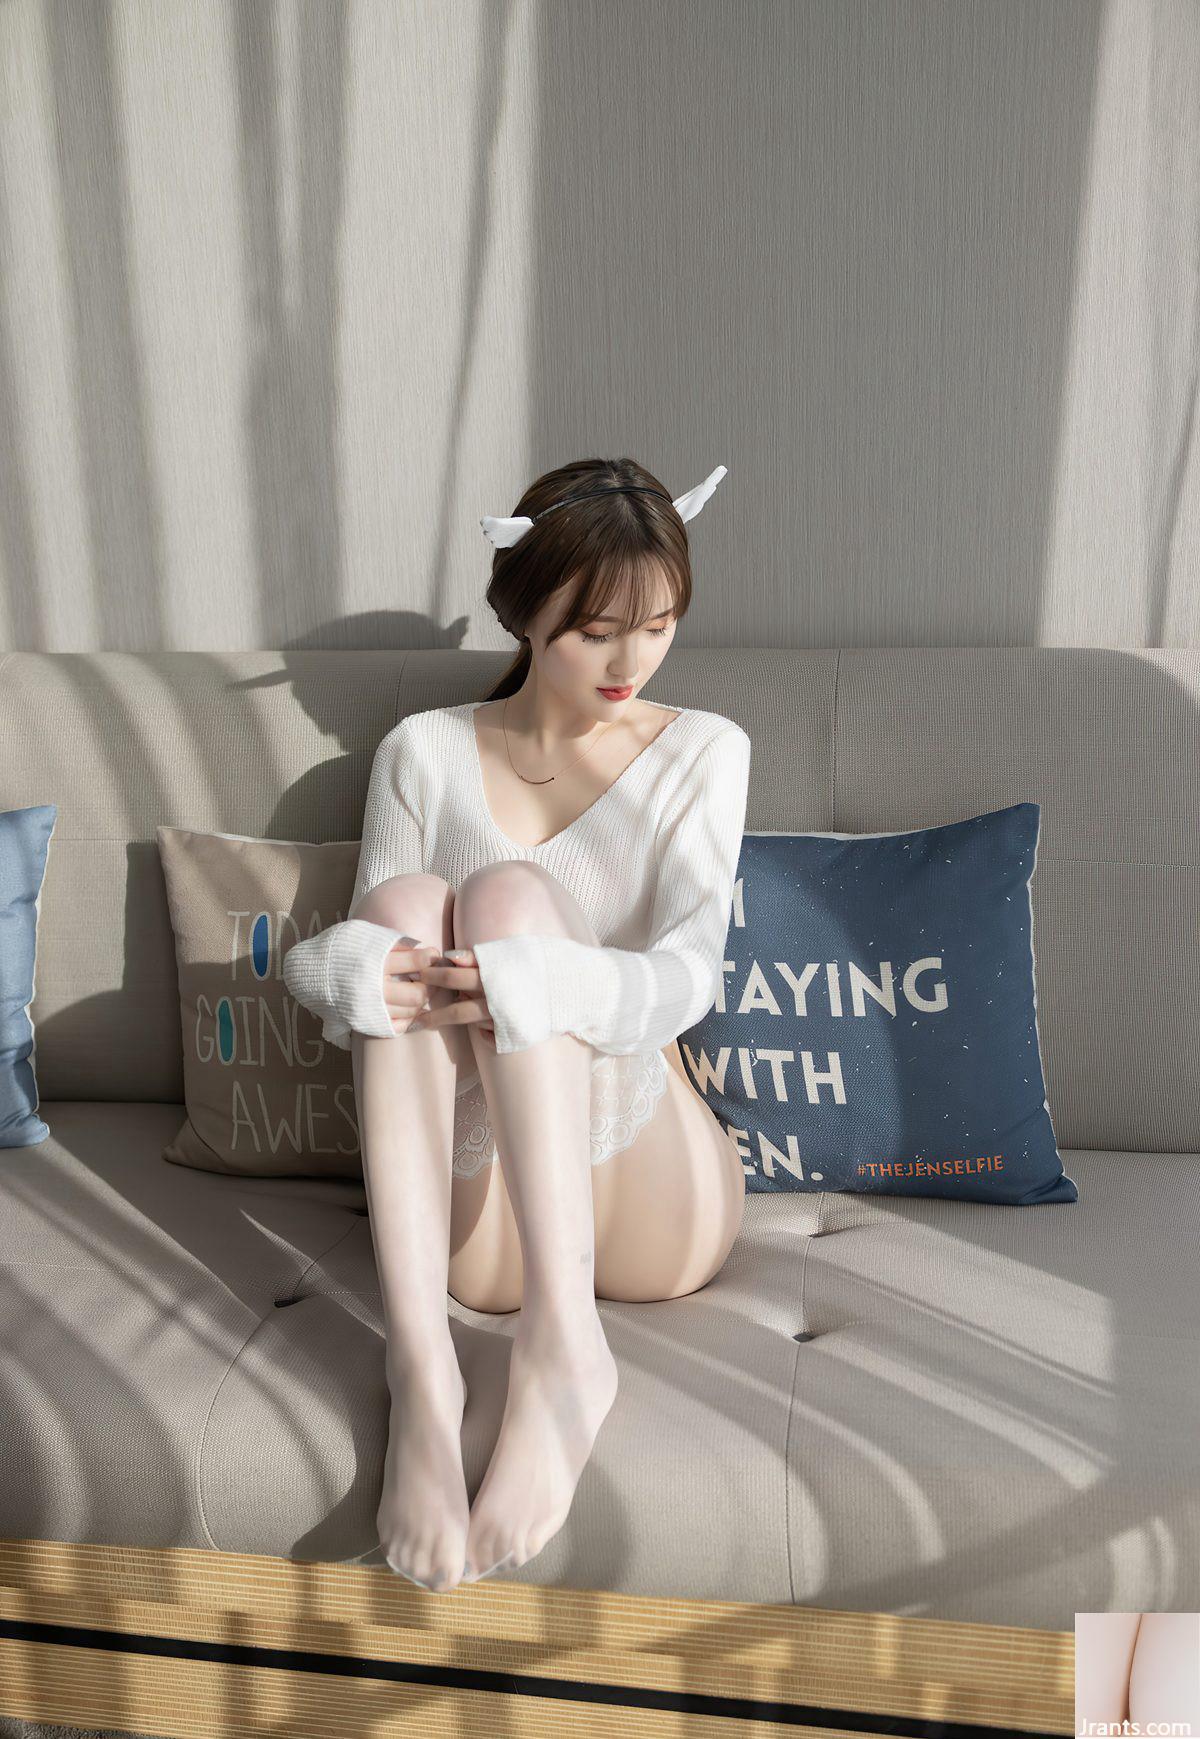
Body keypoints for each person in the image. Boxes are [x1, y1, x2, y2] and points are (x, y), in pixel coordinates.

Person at [283, 456, 752, 1594]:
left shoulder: (704, 750)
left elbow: (690, 975)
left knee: (505, 899)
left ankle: (565, 1348)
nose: (632, 664)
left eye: (660, 627)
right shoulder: (425, 749)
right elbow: (352, 970)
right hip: (464, 1214)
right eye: (598, 632)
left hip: (646, 1195)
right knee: (402, 911)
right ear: (525, 613)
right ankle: (422, 1370)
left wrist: (543, 980)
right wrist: (350, 968)